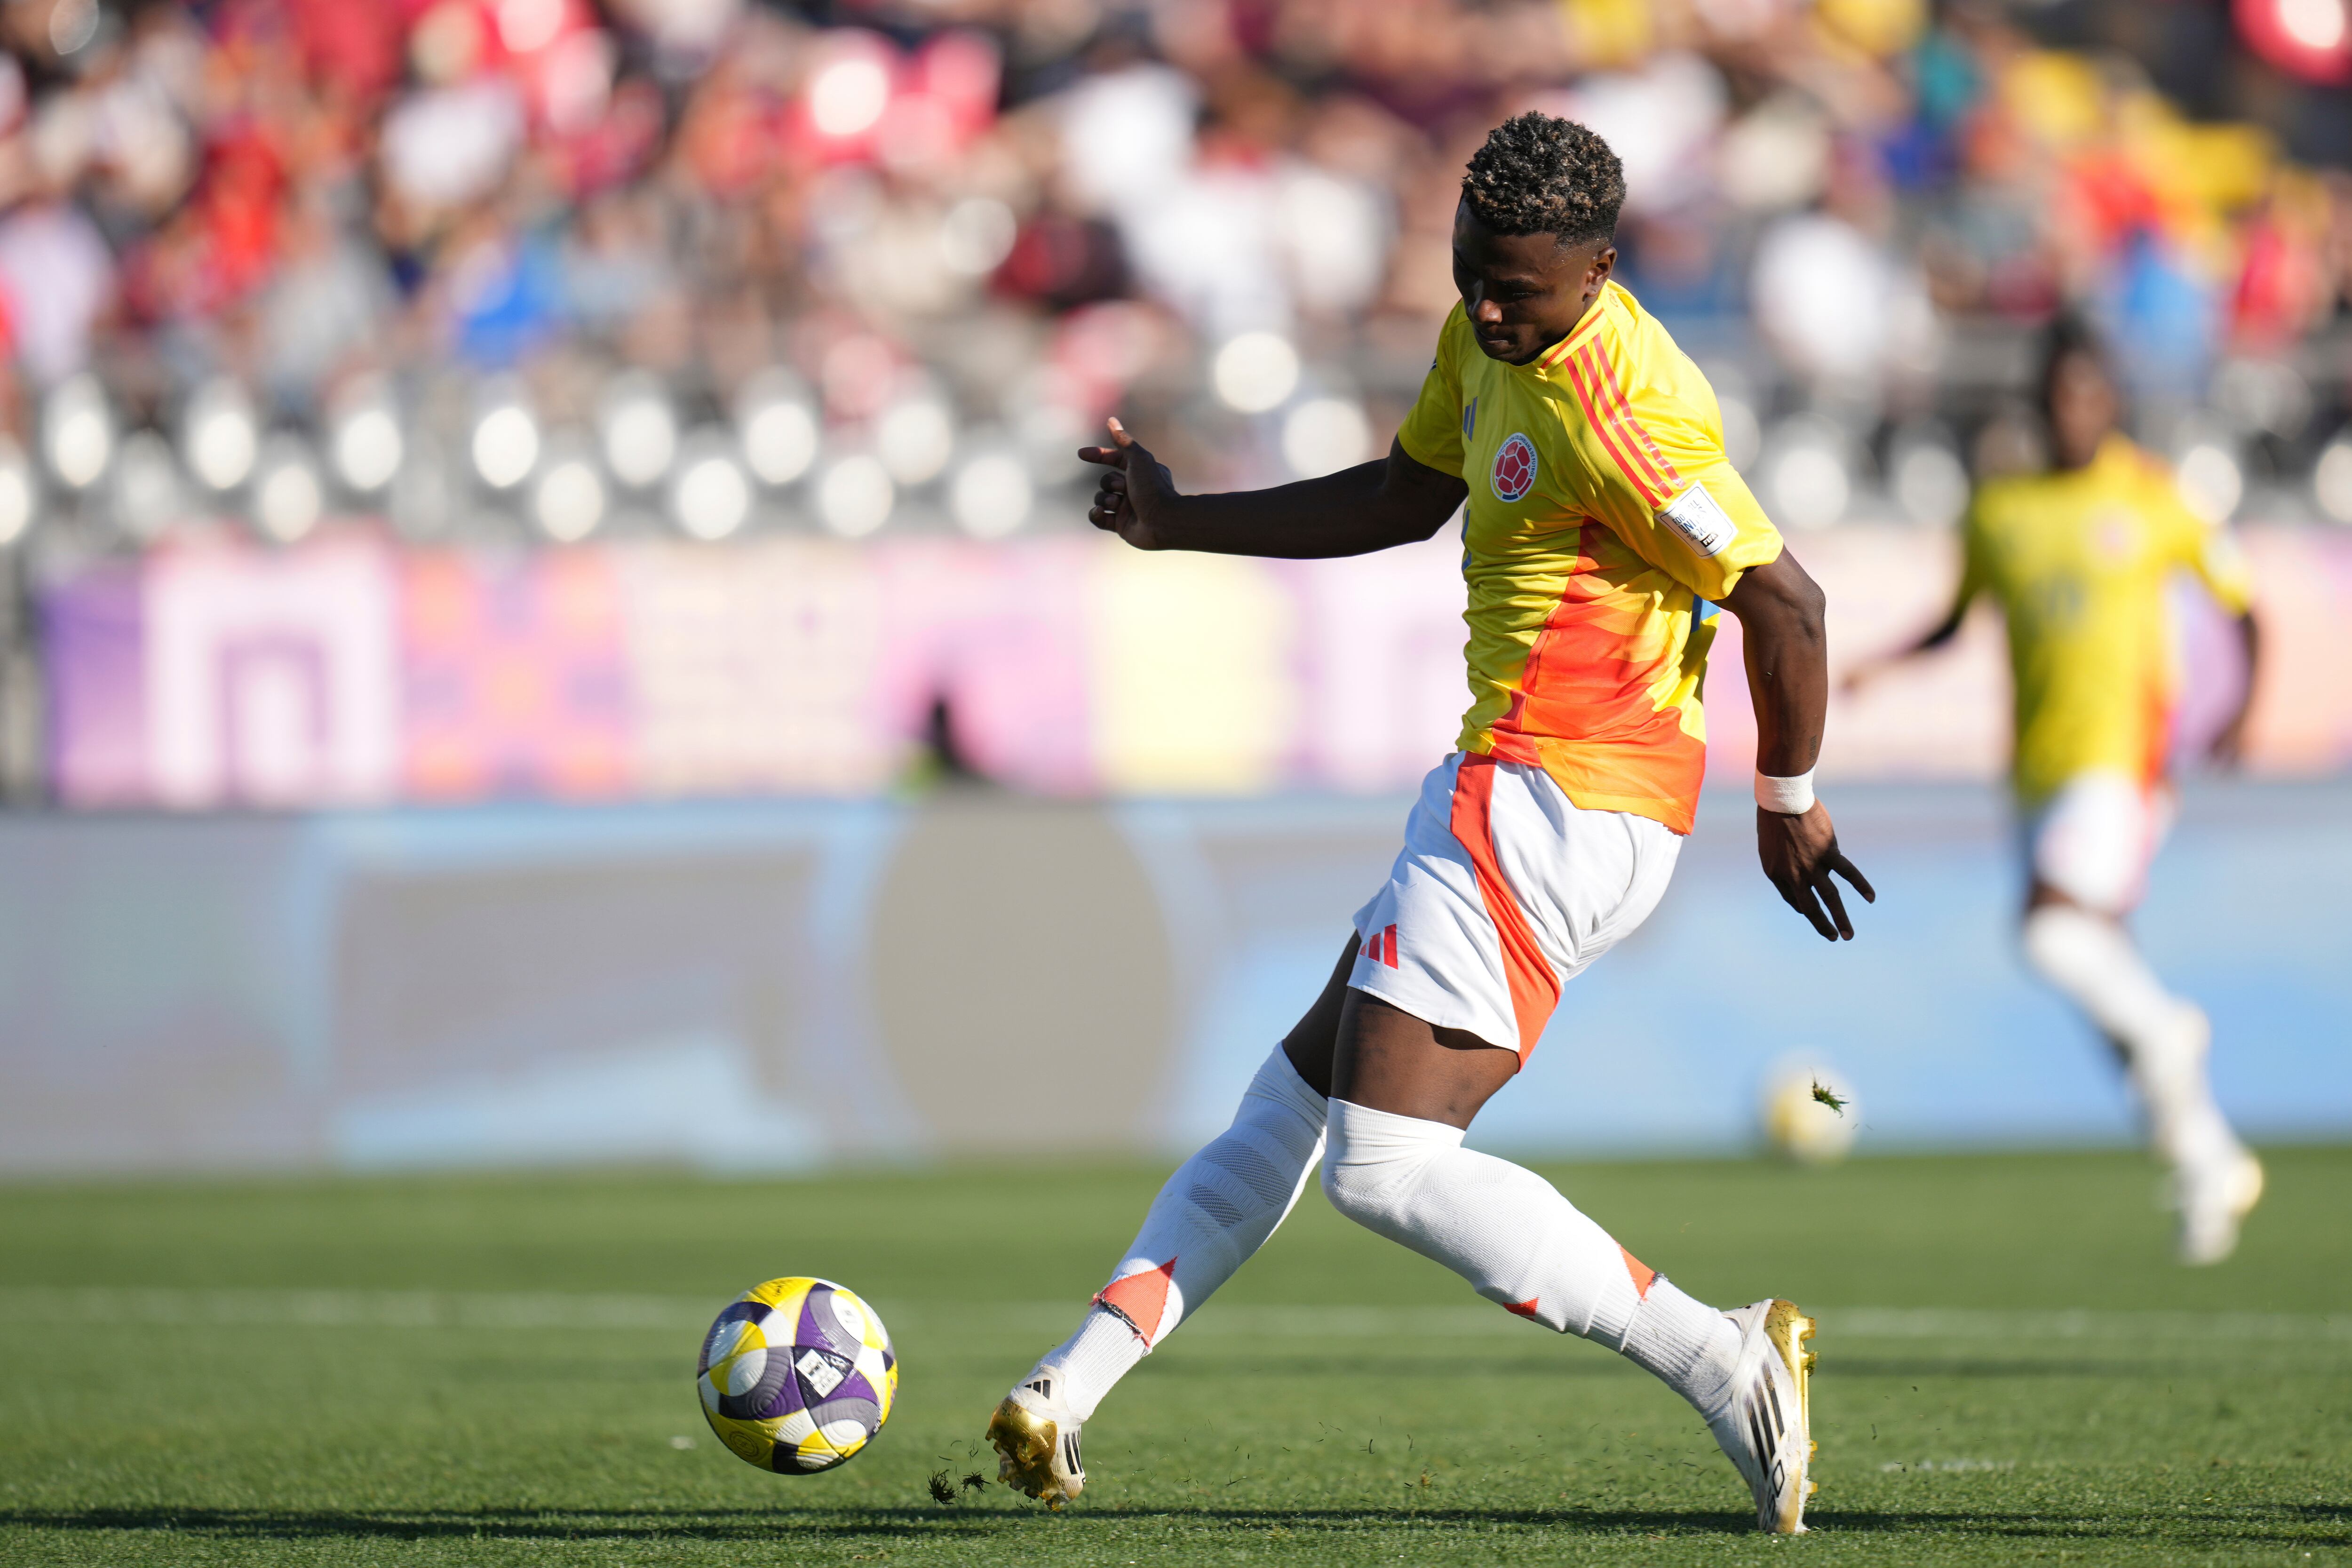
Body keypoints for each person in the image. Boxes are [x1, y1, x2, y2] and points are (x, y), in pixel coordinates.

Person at [985, 112, 1873, 1535]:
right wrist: (1181, 518)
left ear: (1597, 267)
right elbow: (1408, 493)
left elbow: (1789, 601)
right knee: (1292, 1098)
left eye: (1517, 285)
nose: (1486, 307)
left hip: (1560, 794)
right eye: (1472, 275)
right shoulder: (1495, 338)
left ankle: (1725, 1352)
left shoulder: (1630, 409)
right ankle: (1061, 1390)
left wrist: (1789, 800)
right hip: (1509, 783)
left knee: (1386, 1167)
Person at [1847, 317, 2265, 1266]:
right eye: (2056, 396)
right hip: (2035, 771)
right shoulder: (2001, 513)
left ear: (2109, 400)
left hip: (2122, 762)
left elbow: (2246, 606)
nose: (2072, 411)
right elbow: (1954, 623)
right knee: (2097, 975)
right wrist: (1879, 667)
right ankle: (2208, 1157)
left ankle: (2175, 1032)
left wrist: (2241, 710)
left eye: (2088, 393)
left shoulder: (2158, 498)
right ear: (2038, 406)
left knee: (2049, 932)